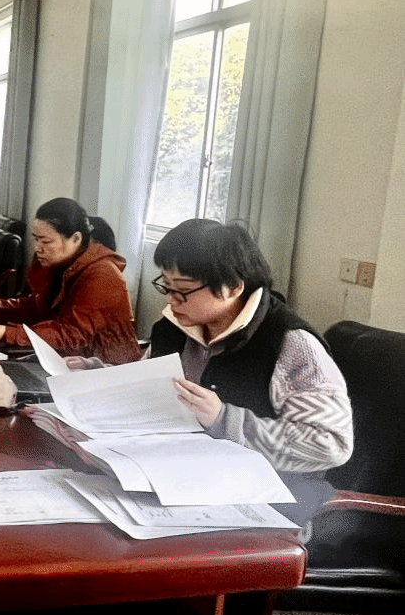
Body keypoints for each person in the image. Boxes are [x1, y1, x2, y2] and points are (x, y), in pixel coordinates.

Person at [149, 219, 352, 522]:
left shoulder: (291, 345)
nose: (170, 299)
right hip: (181, 479)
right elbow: (148, 381)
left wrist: (224, 419)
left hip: (263, 503)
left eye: (183, 290)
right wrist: (99, 373)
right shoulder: (176, 326)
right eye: (166, 285)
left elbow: (330, 444)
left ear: (233, 287)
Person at [0, 197, 140, 365]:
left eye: (46, 242)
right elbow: (36, 306)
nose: (38, 248)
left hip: (104, 367)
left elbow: (73, 334)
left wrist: (7, 333)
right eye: (36, 239)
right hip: (67, 359)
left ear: (76, 239)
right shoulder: (61, 262)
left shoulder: (103, 274)